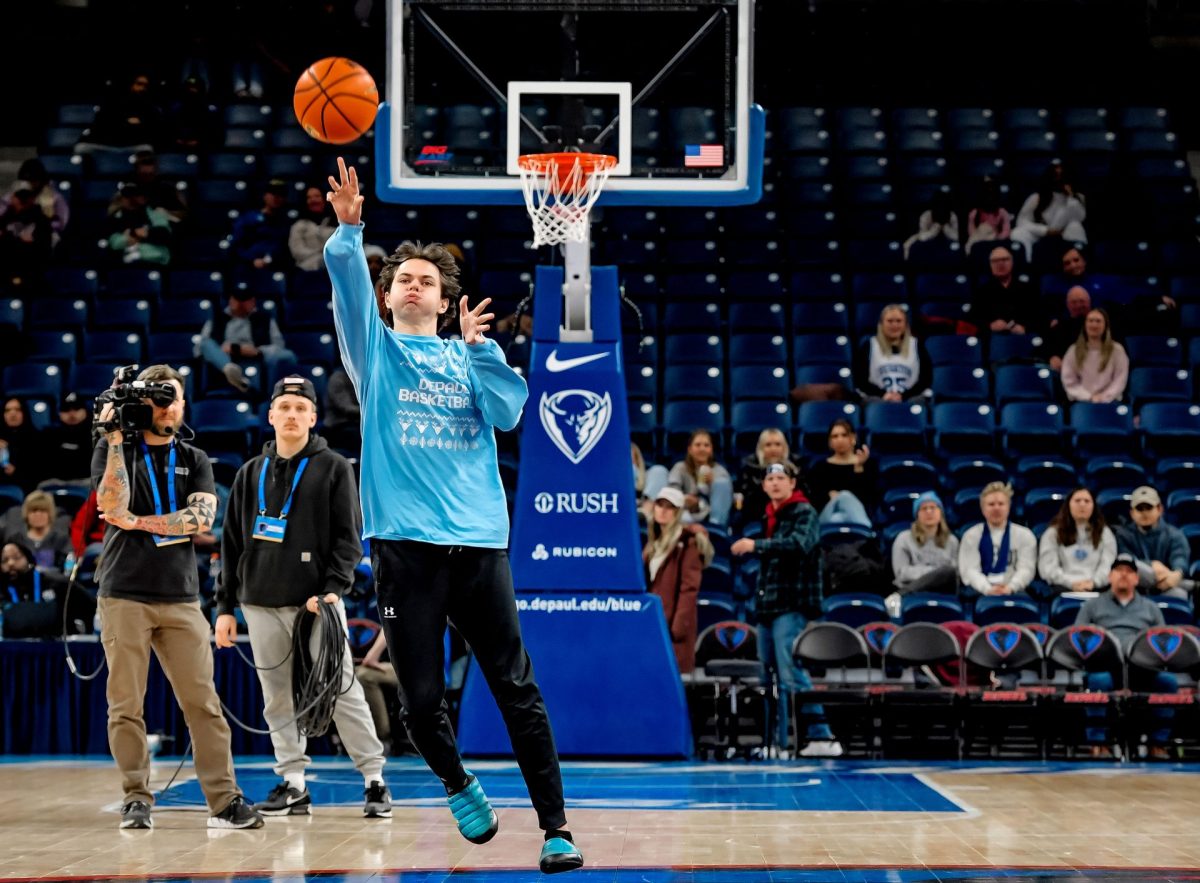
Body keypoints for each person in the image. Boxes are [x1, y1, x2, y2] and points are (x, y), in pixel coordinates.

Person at [323, 157, 582, 873]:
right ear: (388, 297)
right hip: (407, 550)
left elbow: (509, 410)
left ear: (443, 301)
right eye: (403, 277)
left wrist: (481, 352)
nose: (413, 284)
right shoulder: (374, 354)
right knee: (420, 702)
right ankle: (459, 782)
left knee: (515, 685)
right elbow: (347, 286)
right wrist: (350, 231)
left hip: (477, 544)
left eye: (427, 280)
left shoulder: (474, 355)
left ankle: (556, 827)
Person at [91, 364, 262, 830]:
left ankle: (224, 801)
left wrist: (140, 523)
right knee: (125, 705)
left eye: (176, 398)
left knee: (203, 703)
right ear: (142, 404)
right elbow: (111, 506)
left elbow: (201, 519)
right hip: (123, 592)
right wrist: (112, 441)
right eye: (159, 398)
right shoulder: (113, 449)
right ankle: (135, 797)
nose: (169, 406)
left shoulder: (195, 457)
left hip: (182, 596)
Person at [214, 375, 392, 818]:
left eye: (300, 408)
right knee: (276, 696)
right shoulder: (249, 473)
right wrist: (224, 608)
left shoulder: (333, 467)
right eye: (284, 407)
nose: (292, 415)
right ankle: (292, 782)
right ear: (271, 415)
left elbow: (349, 542)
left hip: (318, 604)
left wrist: (332, 591)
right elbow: (231, 545)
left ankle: (374, 780)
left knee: (342, 690)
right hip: (259, 602)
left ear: (313, 417)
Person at [730, 462, 842, 758]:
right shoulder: (772, 516)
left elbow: (798, 544)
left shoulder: (804, 512)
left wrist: (756, 546)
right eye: (771, 479)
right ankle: (775, 743)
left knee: (790, 671)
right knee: (768, 678)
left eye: (781, 478)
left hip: (791, 605)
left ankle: (822, 736)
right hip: (769, 606)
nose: (776, 483)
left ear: (792, 484)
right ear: (765, 486)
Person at [1075, 554, 1176, 758]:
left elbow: (1162, 644)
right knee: (1099, 680)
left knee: (1168, 682)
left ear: (1137, 579)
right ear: (1110, 576)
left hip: (1142, 667)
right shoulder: (1092, 606)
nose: (1124, 575)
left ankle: (1158, 744)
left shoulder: (1151, 608)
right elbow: (1079, 638)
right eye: (1119, 570)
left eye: (1129, 571)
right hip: (1105, 665)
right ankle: (1098, 743)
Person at [643, 486, 713, 675]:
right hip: (653, 623)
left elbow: (689, 589)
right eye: (660, 505)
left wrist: (678, 629)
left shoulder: (688, 543)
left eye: (670, 507)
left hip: (672, 627)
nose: (663, 510)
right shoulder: (653, 545)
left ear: (678, 512)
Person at [196, 291, 299, 395]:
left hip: (256, 356)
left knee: (288, 355)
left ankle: (281, 390)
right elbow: (199, 348)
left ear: (253, 302)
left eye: (245, 300)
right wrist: (220, 351)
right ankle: (231, 371)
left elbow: (279, 345)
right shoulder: (216, 319)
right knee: (205, 343)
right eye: (237, 300)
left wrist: (259, 351)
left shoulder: (265, 320)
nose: (241, 304)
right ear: (231, 301)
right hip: (224, 360)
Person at [957, 482, 1037, 600]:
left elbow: (1026, 569)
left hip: (1014, 591)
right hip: (978, 591)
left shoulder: (1025, 535)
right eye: (991, 504)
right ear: (983, 509)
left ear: (1009, 507)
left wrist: (1010, 587)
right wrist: (987, 589)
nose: (996, 508)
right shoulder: (971, 535)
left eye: (1001, 504)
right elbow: (969, 570)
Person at [1037, 488, 1117, 597]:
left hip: (1097, 588)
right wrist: (1071, 584)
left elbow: (1108, 564)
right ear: (1068, 505)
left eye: (1087, 501)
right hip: (1062, 588)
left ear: (1094, 506)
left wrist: (1094, 582)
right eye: (1077, 501)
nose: (1082, 504)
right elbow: (1048, 568)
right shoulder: (1052, 533)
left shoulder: (1105, 532)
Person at [1114, 486, 1190, 599]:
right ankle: (1189, 585)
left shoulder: (1174, 534)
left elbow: (1180, 558)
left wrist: (1176, 574)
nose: (1144, 513)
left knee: (1180, 596)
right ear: (1132, 513)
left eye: (1149, 507)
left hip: (1167, 586)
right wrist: (1151, 565)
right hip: (1134, 588)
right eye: (1139, 508)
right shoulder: (1123, 534)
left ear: (1160, 509)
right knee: (1125, 560)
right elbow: (1126, 563)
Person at [889, 491, 960, 606]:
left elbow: (954, 573)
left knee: (948, 572)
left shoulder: (952, 541)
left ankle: (899, 595)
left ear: (940, 512)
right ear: (917, 514)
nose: (929, 512)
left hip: (943, 593)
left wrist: (930, 573)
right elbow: (902, 573)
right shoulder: (903, 538)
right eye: (924, 508)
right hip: (913, 592)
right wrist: (936, 573)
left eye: (933, 507)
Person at [805, 419, 876, 529]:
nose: (840, 440)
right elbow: (815, 499)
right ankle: (867, 532)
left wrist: (858, 467)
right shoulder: (820, 467)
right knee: (844, 498)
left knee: (841, 508)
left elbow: (868, 498)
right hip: (827, 515)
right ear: (830, 441)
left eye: (844, 435)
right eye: (835, 436)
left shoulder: (867, 465)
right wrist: (830, 497)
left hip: (855, 516)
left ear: (853, 438)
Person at [852, 304, 931, 402]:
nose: (894, 325)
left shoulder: (917, 345)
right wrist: (884, 395)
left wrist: (903, 396)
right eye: (890, 321)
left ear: (905, 324)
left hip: (910, 399)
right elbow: (860, 380)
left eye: (899, 321)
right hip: (878, 399)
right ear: (881, 324)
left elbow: (925, 379)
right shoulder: (869, 346)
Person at [1010, 163, 1087, 262]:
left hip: (1064, 234)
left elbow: (1080, 218)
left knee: (1075, 226)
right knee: (1018, 232)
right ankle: (1025, 265)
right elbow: (1022, 222)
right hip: (1043, 234)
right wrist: (1045, 230)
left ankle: (1077, 264)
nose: (1059, 180)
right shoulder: (1037, 197)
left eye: (1062, 176)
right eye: (1055, 175)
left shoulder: (1077, 198)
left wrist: (1071, 197)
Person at [734, 428, 803, 528]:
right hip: (756, 515)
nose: (773, 449)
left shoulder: (796, 468)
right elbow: (745, 502)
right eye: (768, 445)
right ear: (761, 449)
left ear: (784, 448)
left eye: (777, 444)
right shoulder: (749, 468)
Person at [76, 73, 162, 154]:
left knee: (147, 149)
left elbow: (150, 126)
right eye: (139, 84)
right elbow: (104, 123)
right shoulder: (112, 101)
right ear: (131, 84)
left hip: (132, 144)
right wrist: (127, 122)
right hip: (106, 143)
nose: (142, 88)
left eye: (145, 86)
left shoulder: (149, 107)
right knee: (81, 147)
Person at [667, 429, 734, 526]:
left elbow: (726, 499)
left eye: (706, 445)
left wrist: (712, 484)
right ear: (689, 449)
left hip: (711, 515)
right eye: (698, 445)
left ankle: (715, 529)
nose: (702, 449)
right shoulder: (680, 467)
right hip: (685, 513)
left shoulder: (720, 471)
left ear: (711, 450)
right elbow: (671, 492)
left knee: (721, 483)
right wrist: (685, 499)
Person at [1061, 308, 1129, 403]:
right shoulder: (1073, 350)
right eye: (1091, 321)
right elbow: (1069, 380)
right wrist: (1089, 397)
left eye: (1098, 321)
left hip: (1111, 402)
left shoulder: (1117, 350)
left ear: (1105, 325)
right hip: (1082, 403)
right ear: (1085, 325)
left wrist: (1103, 397)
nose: (1094, 324)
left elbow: (1120, 379)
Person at [0, 540, 66, 638]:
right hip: (11, 649)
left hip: (54, 646)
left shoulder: (55, 582)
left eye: (16, 557)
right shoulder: (2, 590)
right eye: (4, 560)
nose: (11, 563)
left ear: (29, 559)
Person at [969, 246, 1040, 336]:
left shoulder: (1029, 289)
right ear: (990, 265)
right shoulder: (981, 292)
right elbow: (971, 321)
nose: (1000, 263)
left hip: (1024, 339)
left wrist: (1025, 329)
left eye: (1005, 259)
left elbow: (1040, 318)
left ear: (1012, 262)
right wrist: (990, 326)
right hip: (993, 340)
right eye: (995, 261)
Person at [355, 629, 401, 753]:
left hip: (413, 668)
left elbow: (388, 625)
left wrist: (373, 655)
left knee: (365, 676)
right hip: (378, 664)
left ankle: (381, 738)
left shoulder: (394, 612)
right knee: (350, 675)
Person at [231, 179, 292, 272]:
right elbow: (236, 245)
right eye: (272, 193)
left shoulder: (288, 223)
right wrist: (251, 259)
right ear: (265, 196)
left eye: (280, 194)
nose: (275, 197)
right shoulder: (248, 218)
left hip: (278, 267)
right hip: (249, 267)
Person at [106, 184, 173, 266]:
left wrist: (147, 234)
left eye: (135, 195)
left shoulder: (155, 214)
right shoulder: (115, 217)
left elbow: (165, 235)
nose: (131, 199)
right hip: (125, 265)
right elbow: (114, 243)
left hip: (154, 261)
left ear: (143, 198)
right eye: (127, 196)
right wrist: (132, 236)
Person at [0, 183, 54, 286]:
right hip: (6, 266)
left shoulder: (40, 220)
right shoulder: (8, 216)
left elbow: (42, 246)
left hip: (28, 268)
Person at [7, 159, 70, 247]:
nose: (31, 183)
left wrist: (38, 229)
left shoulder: (55, 197)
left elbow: (60, 223)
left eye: (33, 180)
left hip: (45, 234)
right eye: (27, 179)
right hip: (19, 230)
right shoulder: (15, 195)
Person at [6, 491, 70, 571]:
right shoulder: (16, 540)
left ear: (50, 513)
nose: (38, 514)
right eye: (34, 511)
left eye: (43, 511)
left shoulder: (61, 540)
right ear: (27, 514)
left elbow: (67, 570)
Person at [39, 392, 94, 485]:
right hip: (55, 481)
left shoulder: (95, 434)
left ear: (85, 411)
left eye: (76, 409)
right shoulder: (48, 435)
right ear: (59, 413)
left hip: (86, 481)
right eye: (66, 409)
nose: (72, 413)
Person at [289, 185, 338, 272]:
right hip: (308, 267)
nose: (313, 200)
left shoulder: (337, 222)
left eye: (317, 196)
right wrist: (321, 252)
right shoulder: (298, 226)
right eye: (309, 197)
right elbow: (297, 252)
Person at [1044, 286, 1092, 371]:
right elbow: (1045, 349)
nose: (1078, 305)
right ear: (1068, 304)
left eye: (1082, 301)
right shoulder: (1058, 328)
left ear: (1089, 302)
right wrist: (1052, 357)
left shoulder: (1100, 325)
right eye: (1074, 302)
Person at [902, 191, 959, 259]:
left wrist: (946, 229)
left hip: (947, 242)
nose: (941, 210)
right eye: (938, 207)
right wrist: (933, 231)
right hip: (929, 240)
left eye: (943, 207)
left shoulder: (952, 216)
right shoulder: (926, 215)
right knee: (907, 245)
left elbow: (957, 237)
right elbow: (922, 237)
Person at [0, 397, 40, 492]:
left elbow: (38, 471)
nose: (12, 413)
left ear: (25, 413)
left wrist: (16, 472)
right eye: (7, 410)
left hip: (27, 489)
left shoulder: (36, 438)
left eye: (17, 409)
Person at [964, 177, 1011, 255]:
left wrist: (997, 238)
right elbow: (971, 232)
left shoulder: (1002, 212)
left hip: (995, 240)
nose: (990, 198)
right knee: (982, 229)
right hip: (979, 239)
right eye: (987, 194)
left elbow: (1006, 231)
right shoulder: (975, 213)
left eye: (992, 194)